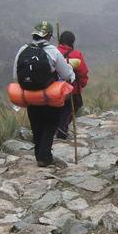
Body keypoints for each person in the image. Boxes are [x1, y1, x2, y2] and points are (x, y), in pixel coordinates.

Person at [13, 20, 75, 167]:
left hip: (30, 96)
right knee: (50, 124)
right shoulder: (53, 51)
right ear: (49, 35)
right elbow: (66, 74)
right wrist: (72, 75)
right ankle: (45, 157)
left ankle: (39, 154)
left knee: (36, 125)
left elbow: (16, 76)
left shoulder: (23, 49)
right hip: (48, 95)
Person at [56, 30, 89, 140]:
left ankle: (57, 127)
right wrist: (82, 84)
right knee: (72, 107)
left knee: (58, 108)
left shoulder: (53, 52)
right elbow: (83, 72)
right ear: (72, 42)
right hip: (72, 89)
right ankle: (62, 128)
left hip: (54, 88)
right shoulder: (76, 54)